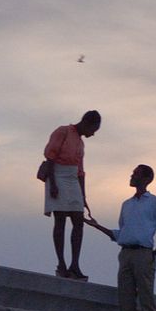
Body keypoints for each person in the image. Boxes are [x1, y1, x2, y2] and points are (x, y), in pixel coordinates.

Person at [89, 164, 156, 311]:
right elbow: (122, 233)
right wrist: (97, 226)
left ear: (147, 179)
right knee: (125, 298)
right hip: (125, 253)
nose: (132, 176)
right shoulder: (127, 204)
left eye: (136, 174)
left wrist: (153, 254)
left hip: (143, 253)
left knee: (146, 297)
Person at [42, 110, 101, 280]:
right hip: (58, 175)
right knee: (60, 220)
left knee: (78, 220)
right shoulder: (63, 131)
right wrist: (52, 184)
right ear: (87, 123)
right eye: (94, 129)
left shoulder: (81, 143)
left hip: (73, 178)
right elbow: (50, 157)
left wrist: (83, 196)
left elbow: (81, 171)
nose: (93, 134)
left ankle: (75, 264)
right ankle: (61, 264)